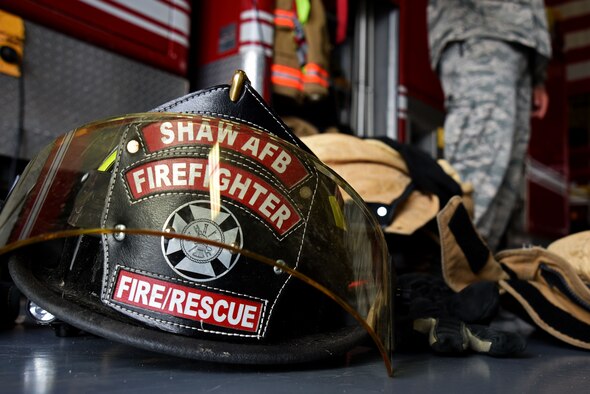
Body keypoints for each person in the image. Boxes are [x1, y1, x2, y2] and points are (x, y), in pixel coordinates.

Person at [427, 0, 552, 251]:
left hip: (523, 48)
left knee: (508, 181)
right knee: (477, 177)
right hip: (478, 32)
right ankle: (452, 277)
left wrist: (538, 76)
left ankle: (477, 278)